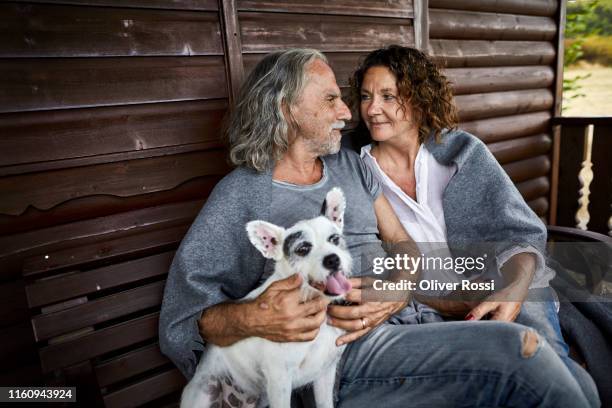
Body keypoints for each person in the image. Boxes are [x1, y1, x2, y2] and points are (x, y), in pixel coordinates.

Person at [159, 48, 593, 408]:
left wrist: (400, 286)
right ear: (285, 109)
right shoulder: (243, 194)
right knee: (519, 357)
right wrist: (254, 316)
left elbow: (402, 241)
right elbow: (187, 313)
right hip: (342, 351)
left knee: (576, 383)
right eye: (332, 100)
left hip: (412, 321)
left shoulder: (349, 164)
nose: (351, 112)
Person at [350, 45, 599, 407]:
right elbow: (376, 269)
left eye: (389, 96)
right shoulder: (354, 170)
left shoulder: (462, 151)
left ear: (420, 99)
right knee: (551, 383)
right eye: (366, 96)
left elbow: (519, 233)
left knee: (565, 377)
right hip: (430, 306)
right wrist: (450, 303)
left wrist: (514, 288)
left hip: (506, 282)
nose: (372, 109)